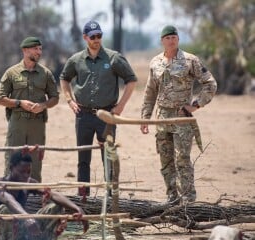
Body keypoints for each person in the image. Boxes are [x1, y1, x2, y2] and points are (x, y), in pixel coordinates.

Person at [140, 25, 217, 205]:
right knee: (166, 159)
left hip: (182, 117)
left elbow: (210, 84)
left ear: (178, 39)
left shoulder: (190, 60)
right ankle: (172, 198)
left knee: (182, 158)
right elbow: (150, 92)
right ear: (162, 41)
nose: (171, 40)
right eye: (167, 37)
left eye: (174, 37)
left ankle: (188, 201)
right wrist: (145, 117)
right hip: (161, 118)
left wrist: (196, 105)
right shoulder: (155, 62)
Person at [60, 20, 137, 196]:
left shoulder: (113, 58)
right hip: (83, 115)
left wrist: (120, 106)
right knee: (83, 159)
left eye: (99, 36)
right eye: (93, 36)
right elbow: (64, 78)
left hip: (107, 115)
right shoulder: (76, 60)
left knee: (108, 157)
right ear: (85, 37)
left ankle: (110, 199)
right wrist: (70, 101)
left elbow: (131, 80)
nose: (97, 39)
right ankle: (83, 199)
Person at [0, 150, 87, 240]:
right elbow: (9, 201)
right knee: (5, 209)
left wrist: (77, 208)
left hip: (22, 233)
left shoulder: (29, 183)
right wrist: (27, 218)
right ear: (11, 168)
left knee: (55, 207)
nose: (25, 176)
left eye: (28, 172)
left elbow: (52, 194)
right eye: (21, 172)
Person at [0, 36, 59, 182]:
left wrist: (43, 105)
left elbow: (55, 98)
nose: (39, 52)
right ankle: (10, 193)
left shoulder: (46, 74)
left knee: (35, 161)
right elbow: (1, 99)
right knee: (13, 158)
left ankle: (34, 198)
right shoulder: (11, 73)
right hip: (17, 123)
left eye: (40, 49)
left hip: (37, 124)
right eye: (35, 49)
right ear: (25, 50)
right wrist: (20, 103)